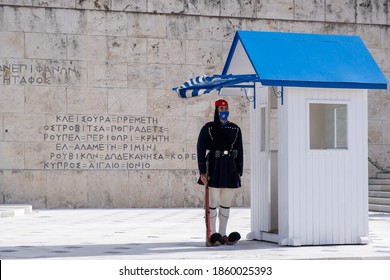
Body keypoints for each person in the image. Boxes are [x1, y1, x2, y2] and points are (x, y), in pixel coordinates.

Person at [197, 99, 243, 246]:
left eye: (226, 108)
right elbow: (200, 148)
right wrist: (202, 172)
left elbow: (240, 150)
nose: (224, 111)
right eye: (221, 109)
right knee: (213, 202)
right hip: (214, 166)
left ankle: (223, 233)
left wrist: (239, 171)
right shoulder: (209, 128)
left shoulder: (234, 129)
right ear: (216, 111)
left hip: (230, 167)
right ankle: (213, 234)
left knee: (226, 202)